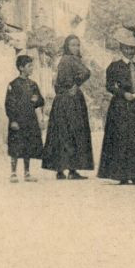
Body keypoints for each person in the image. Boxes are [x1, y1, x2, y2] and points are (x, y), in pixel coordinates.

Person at [97, 27, 135, 185]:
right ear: (121, 48)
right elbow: (109, 86)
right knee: (121, 139)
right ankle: (122, 175)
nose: (130, 51)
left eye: (133, 48)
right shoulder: (114, 66)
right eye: (127, 48)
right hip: (120, 107)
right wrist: (123, 94)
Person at [44, 35, 95, 180]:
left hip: (61, 100)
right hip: (71, 101)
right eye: (73, 45)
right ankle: (72, 170)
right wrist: (76, 84)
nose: (76, 48)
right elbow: (87, 72)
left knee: (61, 133)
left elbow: (57, 84)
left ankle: (60, 170)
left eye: (77, 45)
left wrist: (69, 87)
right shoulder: (71, 59)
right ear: (67, 46)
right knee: (73, 132)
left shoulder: (62, 60)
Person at [5, 54, 46, 183]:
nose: (32, 68)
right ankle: (13, 173)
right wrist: (13, 120)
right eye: (29, 66)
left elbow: (40, 101)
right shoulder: (13, 84)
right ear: (21, 68)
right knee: (16, 146)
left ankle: (27, 173)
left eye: (32, 66)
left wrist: (37, 99)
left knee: (28, 146)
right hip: (18, 121)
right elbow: (9, 104)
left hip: (30, 120)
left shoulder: (33, 85)